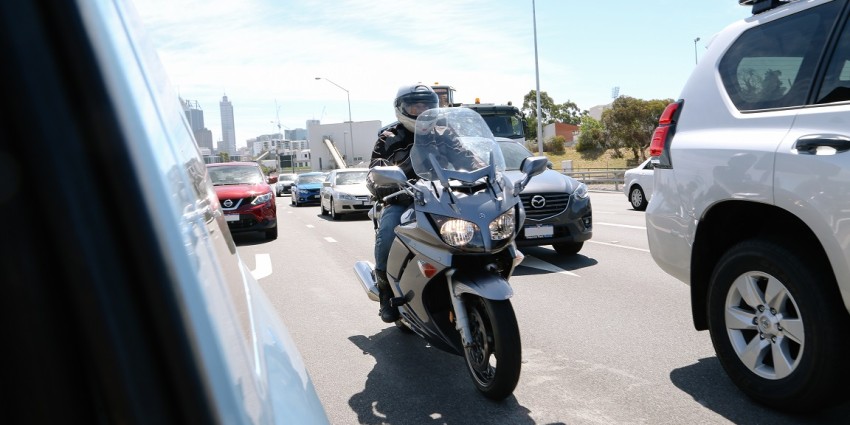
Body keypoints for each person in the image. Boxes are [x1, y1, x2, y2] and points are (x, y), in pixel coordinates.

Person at [368, 84, 439, 323]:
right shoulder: (389, 137)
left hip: (442, 199)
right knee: (388, 231)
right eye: (415, 106)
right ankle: (386, 293)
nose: (421, 111)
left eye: (426, 106)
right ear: (402, 109)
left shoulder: (445, 134)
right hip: (404, 199)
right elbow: (373, 172)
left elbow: (469, 158)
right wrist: (386, 185)